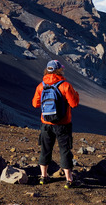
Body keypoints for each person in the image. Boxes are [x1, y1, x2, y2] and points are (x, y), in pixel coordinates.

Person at [32, 60, 81, 188]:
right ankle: (69, 180)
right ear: (59, 70)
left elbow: (35, 104)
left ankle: (43, 177)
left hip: (46, 123)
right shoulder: (65, 85)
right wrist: (76, 94)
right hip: (63, 124)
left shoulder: (41, 86)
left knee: (45, 149)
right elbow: (74, 103)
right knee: (65, 151)